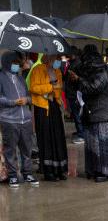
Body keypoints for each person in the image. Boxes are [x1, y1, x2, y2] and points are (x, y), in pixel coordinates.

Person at [70, 45, 108, 183]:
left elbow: (93, 88)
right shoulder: (94, 72)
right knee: (93, 143)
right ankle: (95, 169)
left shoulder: (102, 73)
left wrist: (79, 80)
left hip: (101, 113)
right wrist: (78, 80)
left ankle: (107, 171)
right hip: (91, 112)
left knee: (103, 143)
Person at [0, 51, 38, 188]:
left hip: (25, 119)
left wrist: (26, 100)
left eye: (18, 63)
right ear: (7, 63)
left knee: (27, 149)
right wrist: (13, 102)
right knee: (10, 150)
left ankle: (28, 173)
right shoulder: (1, 78)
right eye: (14, 63)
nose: (16, 66)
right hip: (9, 120)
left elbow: (29, 97)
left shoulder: (21, 78)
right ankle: (12, 176)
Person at [29, 54, 68, 181]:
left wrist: (56, 93)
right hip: (42, 108)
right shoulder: (37, 69)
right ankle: (48, 171)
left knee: (57, 137)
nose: (57, 61)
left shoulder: (57, 71)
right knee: (46, 138)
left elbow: (59, 87)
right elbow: (33, 87)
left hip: (54, 106)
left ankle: (60, 169)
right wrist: (50, 87)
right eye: (55, 58)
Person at [63, 46, 85, 144]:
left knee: (77, 114)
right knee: (75, 114)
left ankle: (81, 134)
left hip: (75, 93)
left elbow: (79, 80)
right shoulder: (71, 63)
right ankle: (79, 131)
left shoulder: (78, 64)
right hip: (71, 92)